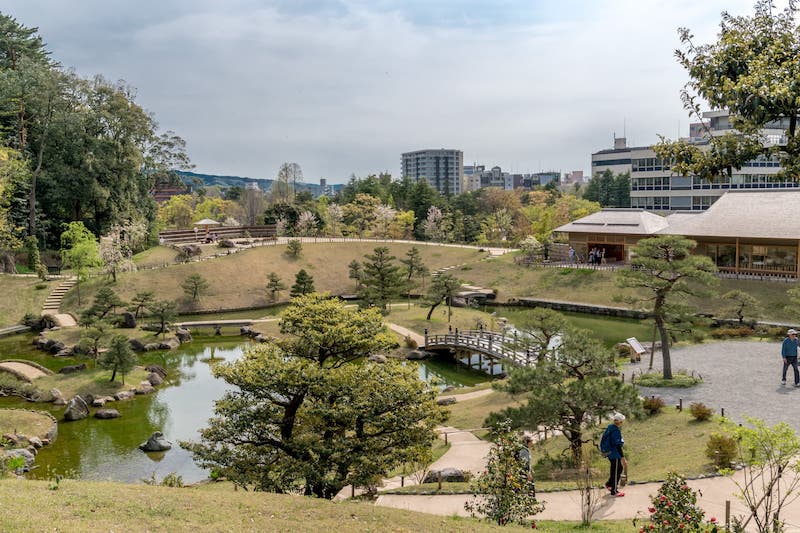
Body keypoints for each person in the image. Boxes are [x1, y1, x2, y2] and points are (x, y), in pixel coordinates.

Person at [603, 412, 626, 497]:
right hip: (614, 453)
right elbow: (617, 445)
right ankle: (614, 491)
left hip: (609, 452)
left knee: (616, 469)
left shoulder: (610, 428)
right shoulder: (616, 431)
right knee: (617, 470)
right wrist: (622, 457)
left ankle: (609, 484)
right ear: (619, 422)